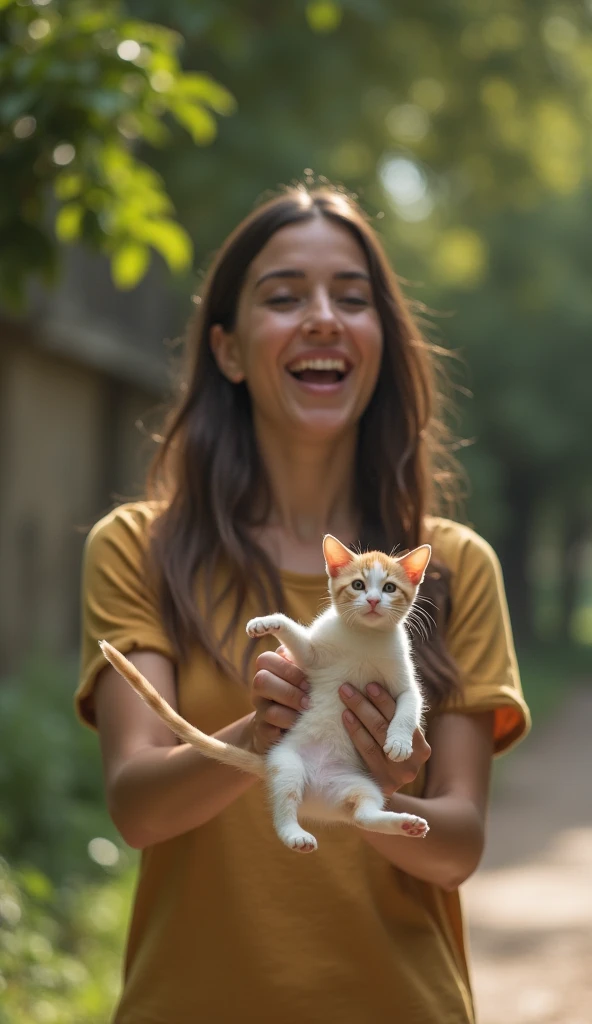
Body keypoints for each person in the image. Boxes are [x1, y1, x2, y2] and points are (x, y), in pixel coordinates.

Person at [76, 183, 530, 1024]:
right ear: (229, 351)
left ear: (381, 348)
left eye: (351, 299)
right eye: (284, 296)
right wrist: (263, 729)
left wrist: (382, 794)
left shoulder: (452, 567)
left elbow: (459, 845)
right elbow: (138, 809)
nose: (322, 317)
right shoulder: (139, 548)